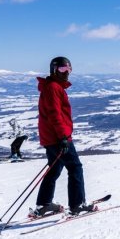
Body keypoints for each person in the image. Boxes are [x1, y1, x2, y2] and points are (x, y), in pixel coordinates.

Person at [31, 56, 95, 218]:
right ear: (54, 70)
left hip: (51, 137)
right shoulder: (53, 87)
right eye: (62, 69)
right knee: (75, 168)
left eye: (69, 70)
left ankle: (44, 204)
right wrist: (63, 137)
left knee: (54, 169)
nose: (66, 73)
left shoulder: (53, 87)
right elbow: (55, 115)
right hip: (58, 137)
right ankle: (77, 205)